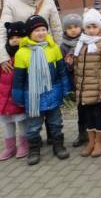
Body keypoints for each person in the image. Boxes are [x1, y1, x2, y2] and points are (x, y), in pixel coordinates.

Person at [12, 15, 71, 165]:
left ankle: (58, 146)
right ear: (29, 33)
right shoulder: (22, 53)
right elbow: (19, 79)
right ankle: (34, 150)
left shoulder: (54, 48)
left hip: (53, 93)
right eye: (37, 30)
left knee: (56, 122)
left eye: (44, 29)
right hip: (33, 97)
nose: (41, 33)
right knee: (33, 126)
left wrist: (65, 88)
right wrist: (18, 97)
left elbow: (62, 71)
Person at [0, 0, 62, 73]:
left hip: (46, 52)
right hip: (21, 54)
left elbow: (56, 28)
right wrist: (2, 57)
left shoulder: (49, 1)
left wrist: (58, 51)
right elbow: (2, 30)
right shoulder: (11, 2)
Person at [0, 21, 28, 160]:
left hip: (18, 97)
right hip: (3, 97)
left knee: (22, 122)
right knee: (8, 123)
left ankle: (24, 145)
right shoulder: (2, 57)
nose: (15, 40)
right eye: (12, 38)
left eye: (18, 37)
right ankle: (9, 147)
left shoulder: (26, 54)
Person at [73, 8, 101, 157]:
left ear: (100, 27)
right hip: (84, 87)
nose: (91, 30)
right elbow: (79, 65)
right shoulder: (82, 42)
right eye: (88, 27)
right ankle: (91, 141)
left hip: (96, 87)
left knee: (97, 114)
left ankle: (99, 142)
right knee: (87, 115)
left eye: (94, 27)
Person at [59, 13, 86, 147]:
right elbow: (62, 67)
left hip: (87, 81)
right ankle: (82, 134)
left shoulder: (86, 41)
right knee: (81, 109)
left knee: (92, 108)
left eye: (76, 26)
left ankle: (96, 132)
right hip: (74, 81)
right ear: (65, 30)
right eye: (70, 27)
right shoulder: (63, 46)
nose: (73, 29)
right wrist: (68, 64)